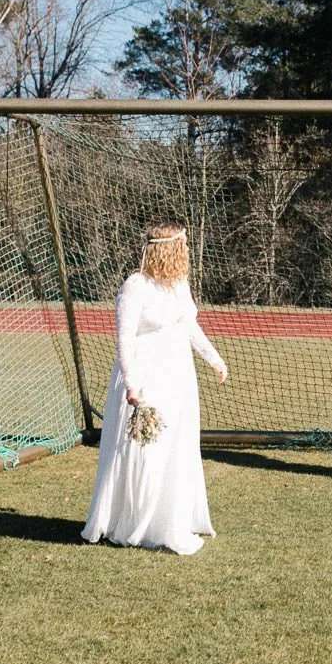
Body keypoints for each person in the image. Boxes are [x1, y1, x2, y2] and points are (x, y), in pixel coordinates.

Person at [81, 221, 229, 555]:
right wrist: (132, 384)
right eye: (183, 246)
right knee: (145, 452)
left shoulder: (179, 286)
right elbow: (124, 339)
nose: (187, 251)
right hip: (146, 376)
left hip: (178, 377)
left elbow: (189, 326)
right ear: (170, 250)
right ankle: (136, 524)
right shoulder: (135, 287)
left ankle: (170, 521)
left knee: (175, 448)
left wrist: (214, 358)